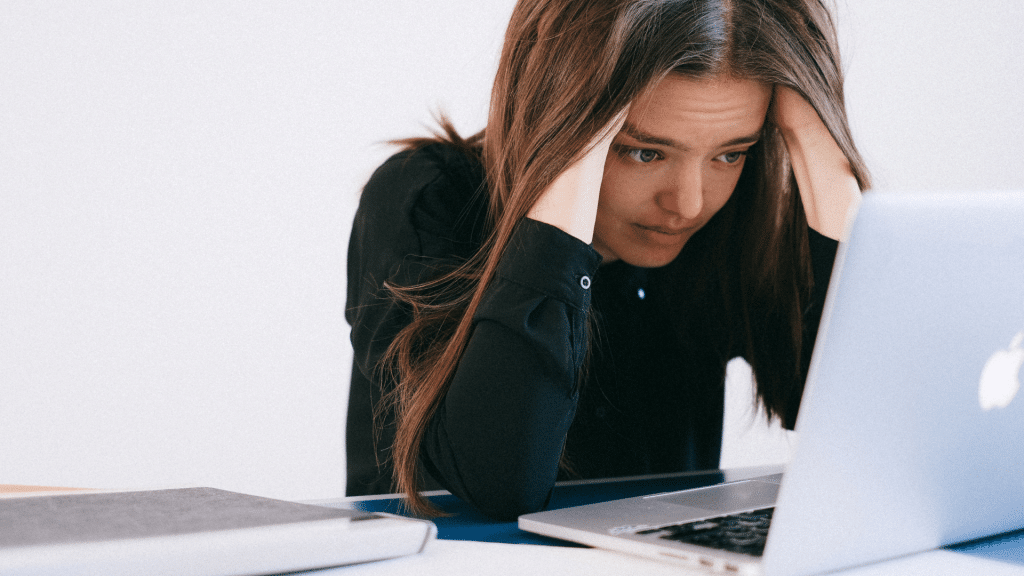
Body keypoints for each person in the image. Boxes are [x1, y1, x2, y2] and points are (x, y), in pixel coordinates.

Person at [345, 0, 870, 520]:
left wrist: (825, 154)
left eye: (729, 153)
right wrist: (562, 177)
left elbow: (871, 435)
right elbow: (499, 483)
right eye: (644, 152)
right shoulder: (427, 200)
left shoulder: (730, 220)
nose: (688, 204)